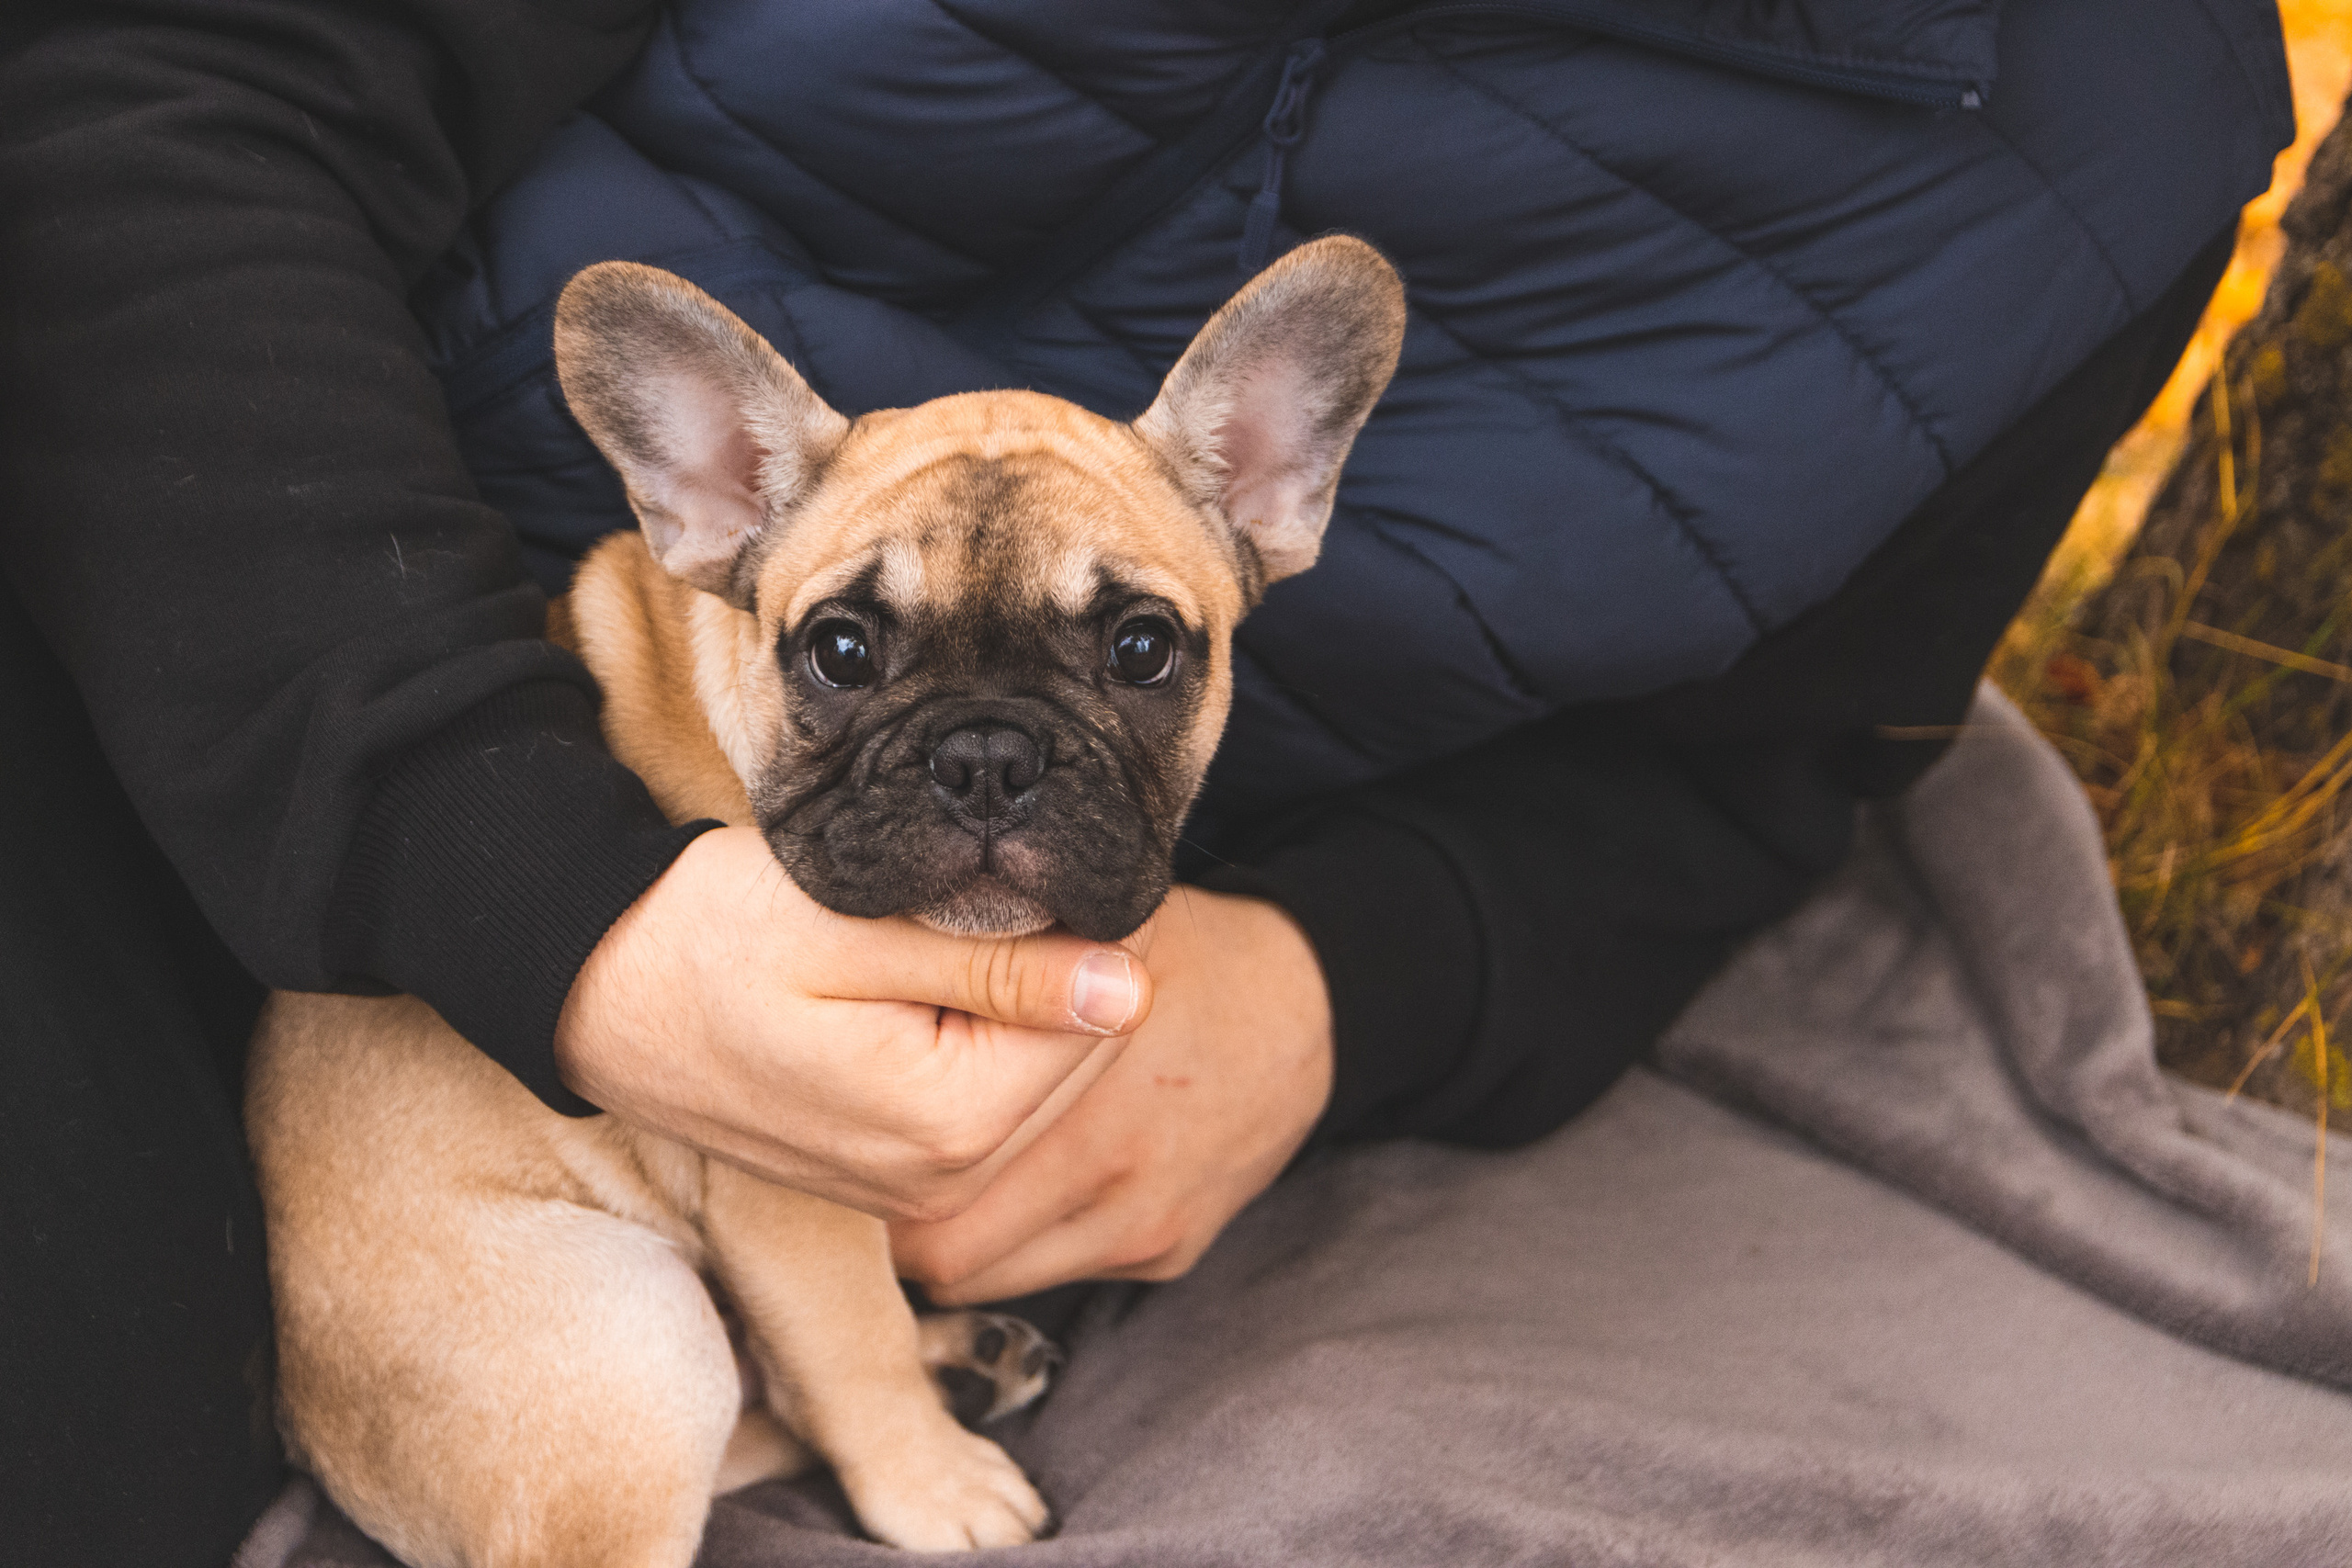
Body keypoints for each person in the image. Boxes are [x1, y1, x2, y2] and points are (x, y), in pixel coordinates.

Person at [0, 1, 2288, 1563]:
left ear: (1274, 500)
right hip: (212, 603)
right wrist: (509, 859)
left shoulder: (2095, 146)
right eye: (856, 654)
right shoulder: (670, 575)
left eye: (1125, 651)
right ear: (704, 522)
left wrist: (1333, 987)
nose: (988, 750)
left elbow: (1765, 763)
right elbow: (140, 80)